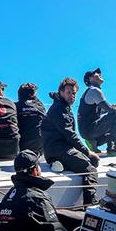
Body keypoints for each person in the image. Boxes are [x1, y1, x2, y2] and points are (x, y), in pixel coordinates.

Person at [41, 77, 101, 206]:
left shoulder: (63, 106)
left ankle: (59, 163)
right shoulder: (59, 109)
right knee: (90, 169)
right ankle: (90, 205)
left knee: (92, 160)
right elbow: (69, 134)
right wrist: (87, 151)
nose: (72, 96)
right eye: (69, 93)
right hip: (57, 149)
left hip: (59, 148)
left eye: (74, 93)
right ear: (61, 92)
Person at [77, 68, 116, 156]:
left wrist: (115, 109)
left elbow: (103, 110)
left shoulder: (90, 92)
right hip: (90, 129)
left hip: (87, 131)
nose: (99, 73)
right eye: (96, 73)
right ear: (90, 79)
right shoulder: (94, 90)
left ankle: (94, 142)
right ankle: (113, 148)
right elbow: (110, 110)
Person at [16, 83, 46, 154]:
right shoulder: (40, 106)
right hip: (39, 148)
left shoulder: (16, 107)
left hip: (22, 148)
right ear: (34, 95)